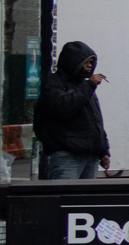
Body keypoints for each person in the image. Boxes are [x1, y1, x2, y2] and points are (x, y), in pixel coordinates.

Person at [35, 40, 109, 179]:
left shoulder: (84, 86)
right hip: (67, 156)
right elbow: (63, 108)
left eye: (91, 62)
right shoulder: (54, 83)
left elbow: (96, 121)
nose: (89, 66)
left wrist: (103, 151)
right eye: (85, 62)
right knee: (64, 197)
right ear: (73, 62)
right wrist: (89, 86)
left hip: (90, 156)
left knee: (85, 200)